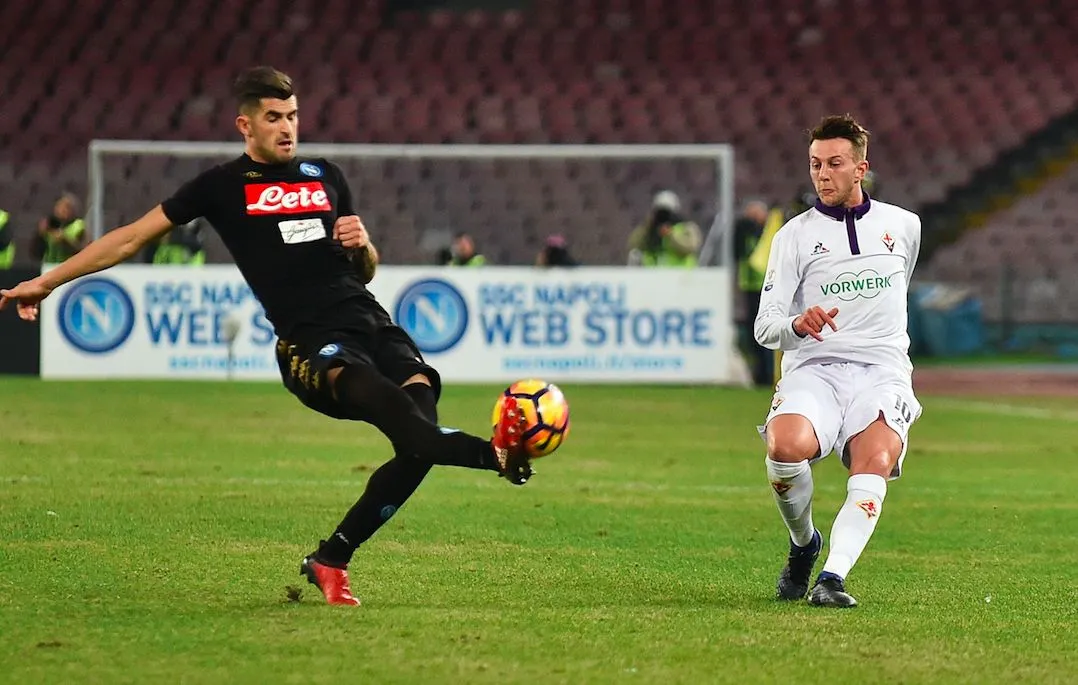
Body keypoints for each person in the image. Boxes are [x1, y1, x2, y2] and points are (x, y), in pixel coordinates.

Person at [0, 66, 535, 607]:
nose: (287, 127)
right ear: (246, 125)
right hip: (313, 347)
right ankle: (498, 457)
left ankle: (331, 560)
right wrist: (47, 281)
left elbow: (364, 270)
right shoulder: (222, 188)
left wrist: (363, 244)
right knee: (418, 435)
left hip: (375, 326)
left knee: (420, 439)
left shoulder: (325, 175)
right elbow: (128, 239)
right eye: (274, 118)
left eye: (293, 116)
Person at [753, 114, 922, 608]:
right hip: (815, 368)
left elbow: (898, 290)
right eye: (814, 165)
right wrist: (797, 325)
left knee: (875, 458)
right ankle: (805, 544)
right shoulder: (793, 237)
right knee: (785, 447)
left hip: (882, 371)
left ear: (860, 167)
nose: (823, 174)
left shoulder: (903, 226)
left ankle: (832, 578)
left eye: (834, 163)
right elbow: (765, 328)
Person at [626, 190, 702, 267]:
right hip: (654, 275)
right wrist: (648, 226)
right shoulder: (650, 229)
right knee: (635, 254)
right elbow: (634, 244)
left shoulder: (686, 227)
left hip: (681, 275)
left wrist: (671, 235)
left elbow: (691, 246)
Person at [32, 193, 87, 264]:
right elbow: (35, 253)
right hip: (49, 266)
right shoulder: (50, 225)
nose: (62, 210)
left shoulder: (79, 225)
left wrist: (65, 240)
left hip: (70, 267)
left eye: (66, 207)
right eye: (59, 207)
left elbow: (83, 251)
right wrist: (40, 234)